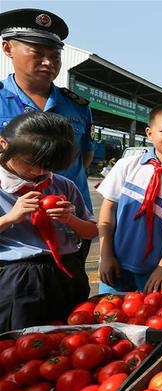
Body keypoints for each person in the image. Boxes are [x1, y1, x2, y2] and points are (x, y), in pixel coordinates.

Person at [0, 8, 95, 265]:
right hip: (14, 230)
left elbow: (84, 156)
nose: (48, 62)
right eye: (38, 53)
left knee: (69, 291)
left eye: (55, 56)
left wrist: (60, 190)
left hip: (69, 219)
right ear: (8, 49)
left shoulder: (76, 106)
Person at [0, 112, 97, 330]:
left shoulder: (63, 185)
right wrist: (9, 218)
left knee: (70, 336)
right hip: (17, 279)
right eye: (32, 163)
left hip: (67, 272)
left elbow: (91, 231)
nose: (40, 171)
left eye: (49, 165)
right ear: (4, 145)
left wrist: (69, 219)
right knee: (20, 341)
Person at [97, 105, 162, 293]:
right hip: (117, 264)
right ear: (149, 133)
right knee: (111, 315)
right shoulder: (126, 166)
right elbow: (107, 211)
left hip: (158, 270)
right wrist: (105, 255)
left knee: (156, 318)